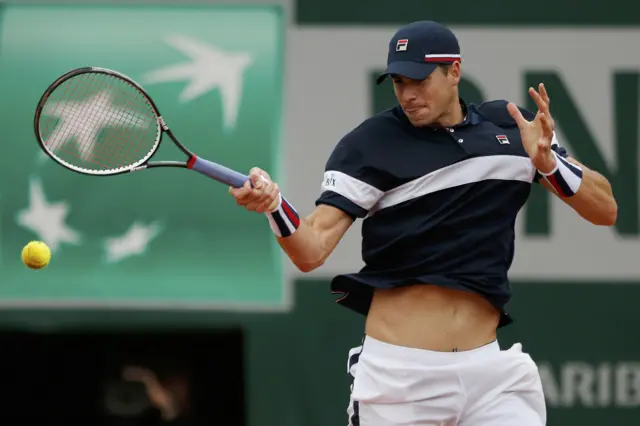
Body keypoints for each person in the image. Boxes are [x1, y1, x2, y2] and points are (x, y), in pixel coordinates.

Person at [228, 20, 617, 426]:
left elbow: (604, 209)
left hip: (490, 376)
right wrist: (275, 206)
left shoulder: (511, 127)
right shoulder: (371, 143)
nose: (408, 95)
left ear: (454, 71)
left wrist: (550, 164)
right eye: (398, 81)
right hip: (400, 379)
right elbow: (311, 250)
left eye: (419, 79)